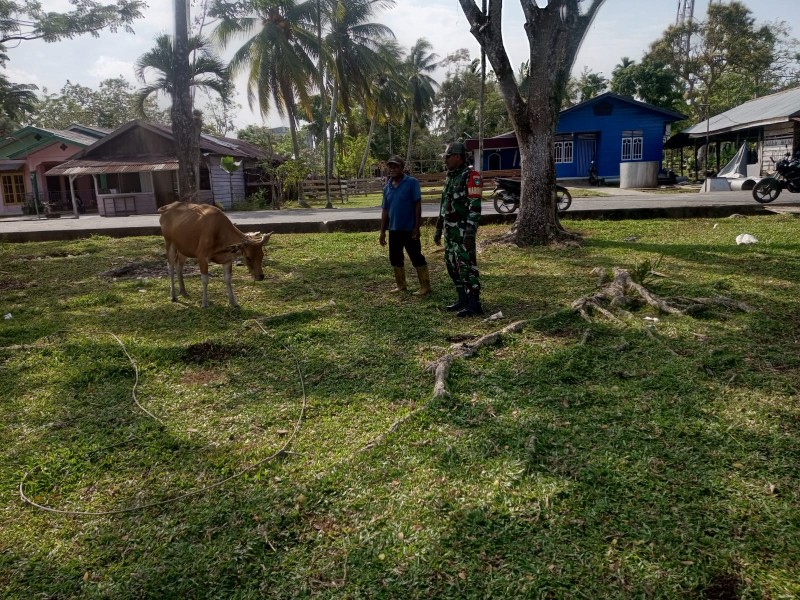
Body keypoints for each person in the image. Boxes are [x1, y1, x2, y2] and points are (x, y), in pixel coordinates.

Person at [433, 142, 483, 317]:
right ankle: (462, 298)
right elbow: (444, 204)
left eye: (447, 157)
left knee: (467, 266)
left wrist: (470, 232)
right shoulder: (451, 177)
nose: (445, 160)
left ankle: (474, 303)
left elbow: (475, 207)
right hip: (450, 232)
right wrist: (438, 227)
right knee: (451, 265)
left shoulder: (471, 176)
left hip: (463, 232)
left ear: (457, 157)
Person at [379, 155, 431, 295]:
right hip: (394, 229)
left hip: (409, 228)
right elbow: (385, 210)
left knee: (416, 256)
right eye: (390, 166)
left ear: (402, 168)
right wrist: (382, 231)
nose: (392, 169)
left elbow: (417, 205)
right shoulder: (387, 187)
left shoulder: (412, 182)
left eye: (396, 166)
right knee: (395, 258)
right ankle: (401, 285)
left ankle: (425, 286)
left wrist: (416, 227)